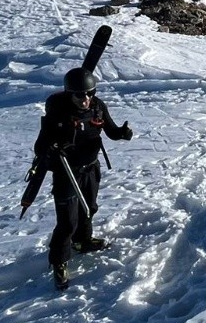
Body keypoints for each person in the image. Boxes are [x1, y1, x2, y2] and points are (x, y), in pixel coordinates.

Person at [24, 67, 133, 290]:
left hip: (91, 168)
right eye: (80, 95)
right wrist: (54, 147)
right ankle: (59, 262)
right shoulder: (58, 114)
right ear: (68, 93)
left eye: (90, 93)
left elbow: (110, 130)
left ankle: (83, 241)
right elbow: (40, 146)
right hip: (67, 173)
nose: (86, 99)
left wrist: (122, 133)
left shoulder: (98, 108)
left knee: (89, 208)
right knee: (67, 222)